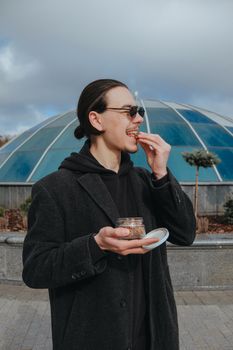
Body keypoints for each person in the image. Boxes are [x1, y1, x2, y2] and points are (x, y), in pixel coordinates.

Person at [22, 79, 196, 350]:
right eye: (129, 111)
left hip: (153, 338)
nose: (138, 119)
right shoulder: (55, 188)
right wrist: (96, 245)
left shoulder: (146, 181)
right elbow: (36, 270)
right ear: (97, 120)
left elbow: (186, 234)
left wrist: (161, 175)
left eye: (139, 111)